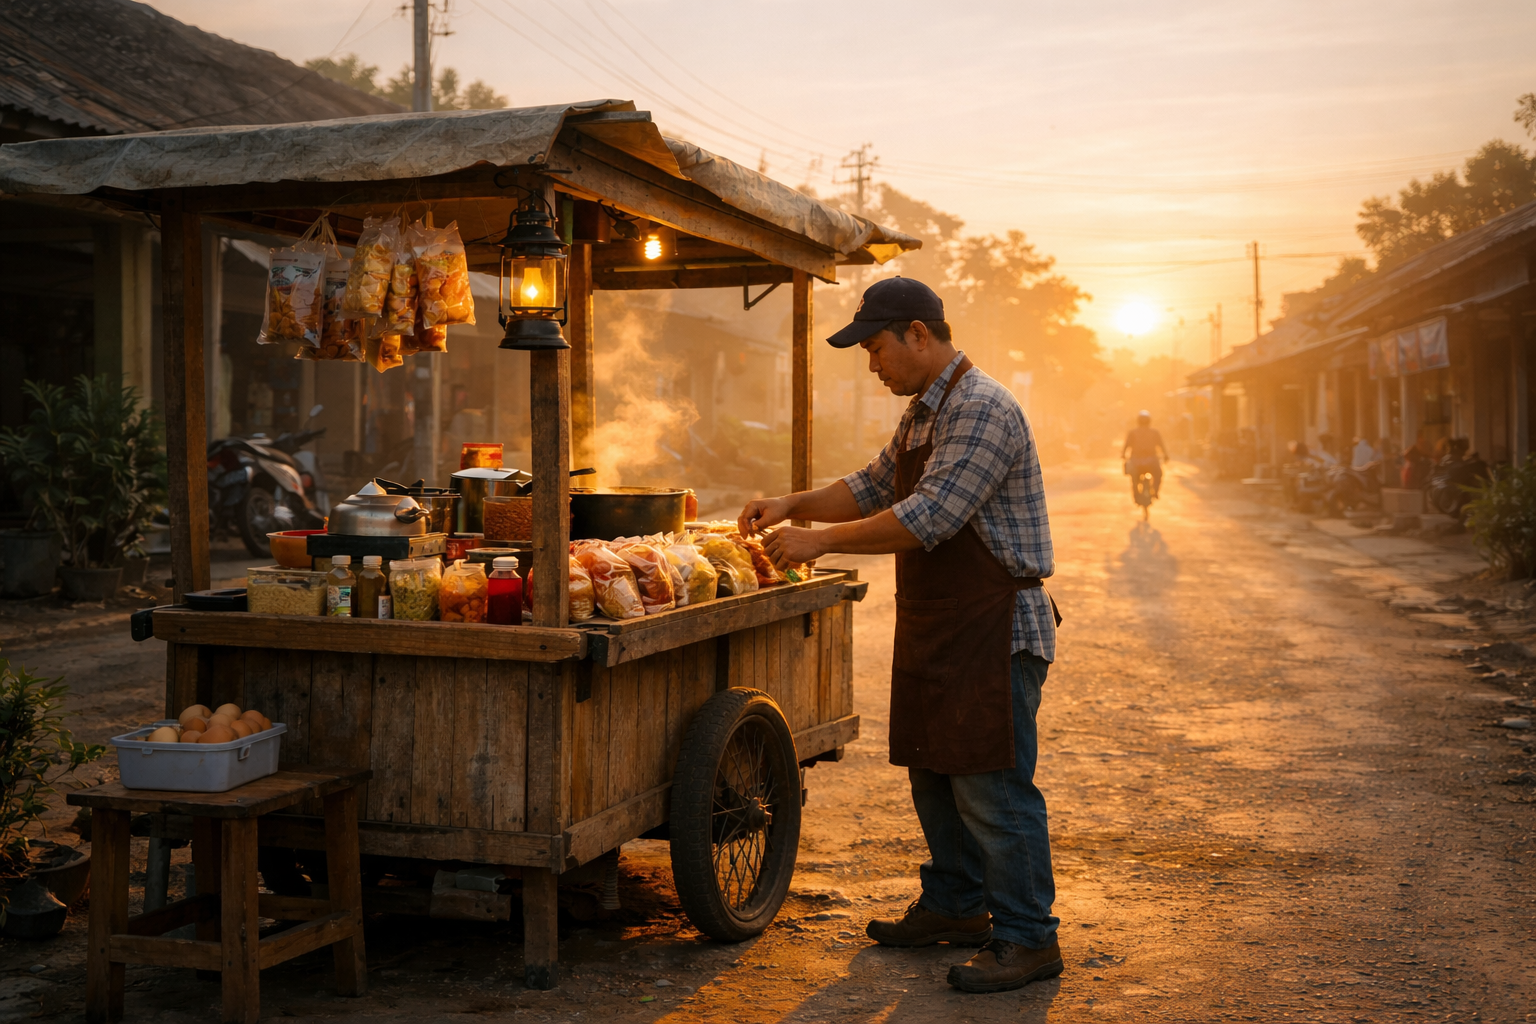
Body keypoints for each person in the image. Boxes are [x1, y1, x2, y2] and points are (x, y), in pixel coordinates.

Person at [736, 277, 1062, 994]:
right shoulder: (923, 413)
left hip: (994, 627)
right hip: (943, 624)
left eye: (877, 348)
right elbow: (874, 486)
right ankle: (957, 905)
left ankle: (1029, 938)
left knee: (992, 786)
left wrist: (820, 540)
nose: (873, 364)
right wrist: (793, 502)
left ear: (918, 334)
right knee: (934, 771)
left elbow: (931, 515)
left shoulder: (980, 408)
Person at [1121, 411, 1167, 499]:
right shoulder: (1154, 432)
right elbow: (1161, 445)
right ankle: (1155, 491)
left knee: (1134, 476)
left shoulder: (1133, 432)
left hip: (1136, 460)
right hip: (1151, 460)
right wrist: (1166, 455)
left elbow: (1126, 445)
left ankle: (1136, 493)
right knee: (1158, 474)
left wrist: (1123, 454)